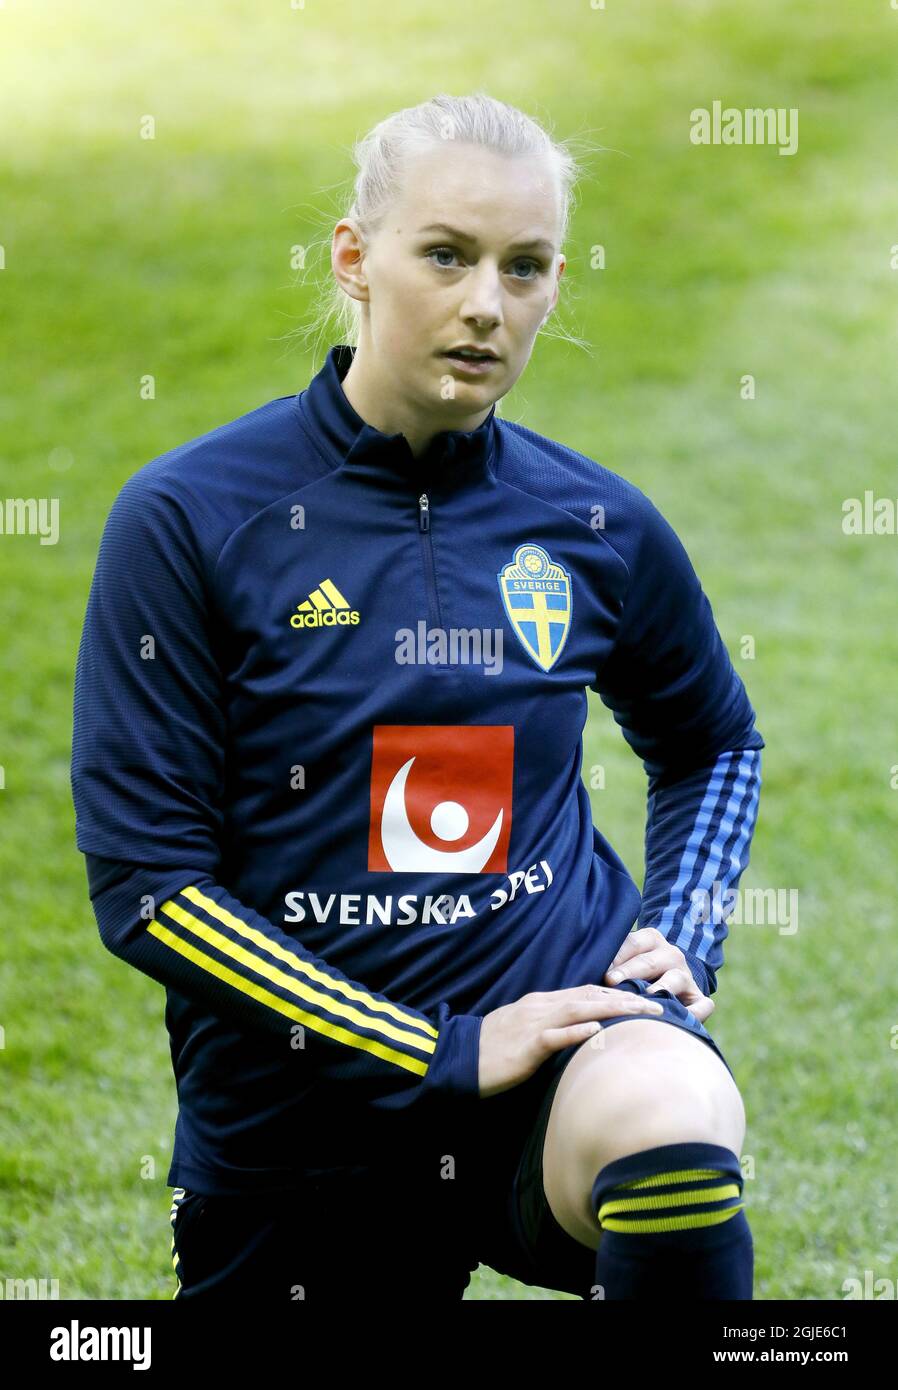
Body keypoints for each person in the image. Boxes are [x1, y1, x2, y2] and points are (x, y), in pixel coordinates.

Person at [71, 92, 764, 1302]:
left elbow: (712, 738)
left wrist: (682, 931)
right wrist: (434, 1050)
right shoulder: (190, 519)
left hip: (551, 1045)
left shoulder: (591, 522)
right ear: (355, 258)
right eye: (445, 255)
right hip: (299, 1118)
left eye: (526, 267)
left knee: (669, 1105)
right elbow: (150, 889)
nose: (486, 304)